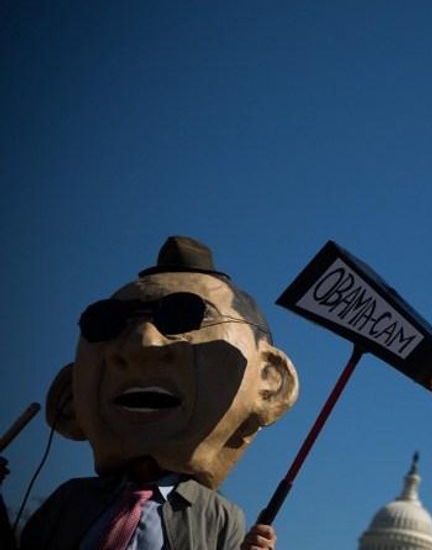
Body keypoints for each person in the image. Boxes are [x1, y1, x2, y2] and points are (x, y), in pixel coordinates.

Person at [8, 236, 299, 550]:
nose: (143, 342)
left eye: (185, 316)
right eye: (107, 322)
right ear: (69, 396)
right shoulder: (71, 500)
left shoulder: (218, 516)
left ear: (269, 384)